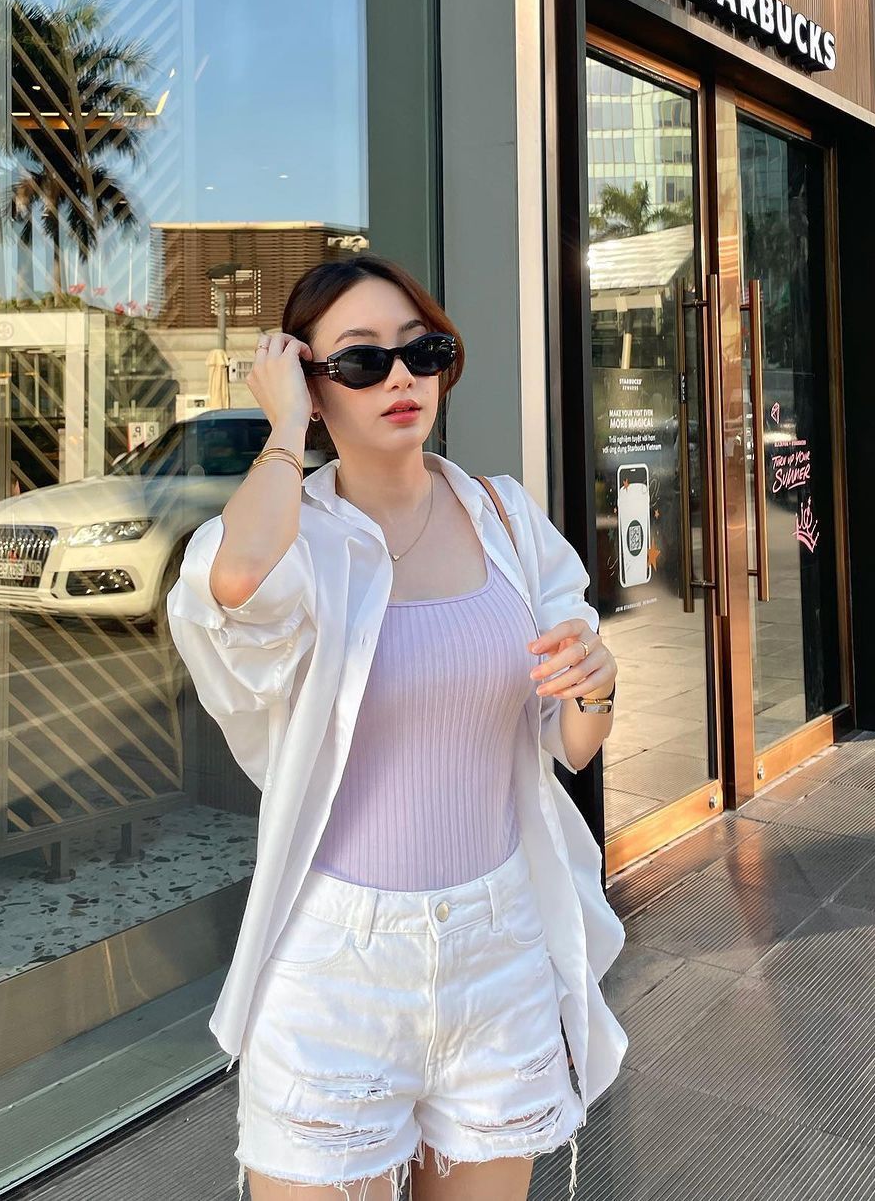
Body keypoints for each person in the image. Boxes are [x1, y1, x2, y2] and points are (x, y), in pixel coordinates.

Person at [167, 255, 627, 1201]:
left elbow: (570, 740)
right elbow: (234, 581)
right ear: (310, 383)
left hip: (500, 946)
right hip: (340, 964)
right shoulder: (299, 538)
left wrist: (596, 685)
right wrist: (284, 427)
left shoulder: (505, 516)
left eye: (422, 350)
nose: (401, 376)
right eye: (361, 360)